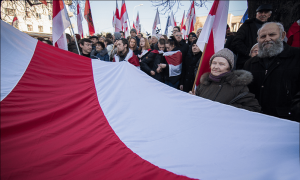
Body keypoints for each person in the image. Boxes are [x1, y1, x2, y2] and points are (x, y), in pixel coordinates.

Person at [244, 22, 300, 120]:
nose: (267, 39)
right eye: (263, 36)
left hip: (288, 121)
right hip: (256, 118)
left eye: (272, 35)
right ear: (258, 40)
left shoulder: (297, 56)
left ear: (282, 35)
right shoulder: (250, 63)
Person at [193, 48, 261, 112]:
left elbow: (254, 108)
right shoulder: (204, 83)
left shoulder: (238, 87)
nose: (216, 67)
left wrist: (228, 109)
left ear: (229, 67)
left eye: (221, 64)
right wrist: (193, 98)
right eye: (214, 63)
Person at [231, 4, 273, 69]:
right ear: (256, 14)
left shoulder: (272, 27)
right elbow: (236, 42)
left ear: (269, 15)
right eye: (260, 12)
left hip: (266, 63)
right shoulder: (247, 25)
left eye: (266, 12)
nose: (263, 14)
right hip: (246, 62)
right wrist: (249, 53)